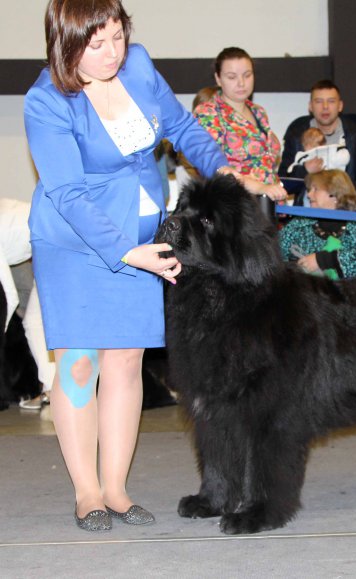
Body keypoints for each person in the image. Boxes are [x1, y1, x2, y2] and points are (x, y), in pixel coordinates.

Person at [24, 0, 258, 532]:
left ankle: (116, 488)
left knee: (126, 360)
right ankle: (87, 492)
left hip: (139, 233)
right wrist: (125, 251)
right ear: (67, 43)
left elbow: (182, 126)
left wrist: (225, 170)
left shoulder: (139, 65)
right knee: (80, 362)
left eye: (118, 38)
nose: (112, 53)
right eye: (97, 44)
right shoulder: (46, 101)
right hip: (77, 242)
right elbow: (67, 191)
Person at [193, 47, 287, 201]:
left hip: (269, 203)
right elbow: (213, 168)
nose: (241, 83)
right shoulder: (208, 113)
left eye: (247, 75)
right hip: (235, 207)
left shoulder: (259, 112)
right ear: (218, 78)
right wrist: (261, 188)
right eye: (232, 77)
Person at [280, 80, 356, 211]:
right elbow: (283, 182)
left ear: (340, 106)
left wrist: (338, 194)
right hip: (307, 215)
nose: (325, 106)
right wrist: (305, 170)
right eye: (319, 101)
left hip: (349, 214)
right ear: (310, 106)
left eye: (331, 101)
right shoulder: (296, 134)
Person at [0, 199, 55, 410]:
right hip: (48, 242)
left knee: (34, 323)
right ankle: (51, 388)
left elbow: (7, 296)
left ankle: (52, 391)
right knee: (35, 322)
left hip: (54, 245)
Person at [279, 170, 356, 279]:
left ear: (335, 194)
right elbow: (275, 252)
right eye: (309, 189)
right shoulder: (300, 223)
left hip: (350, 293)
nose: (308, 194)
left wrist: (321, 260)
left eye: (315, 189)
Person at [285, 126, 350, 174]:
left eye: (318, 144)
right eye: (310, 144)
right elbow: (290, 171)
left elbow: (345, 158)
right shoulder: (303, 157)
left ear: (324, 144)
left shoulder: (330, 151)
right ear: (304, 145)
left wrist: (332, 158)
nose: (315, 149)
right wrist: (306, 168)